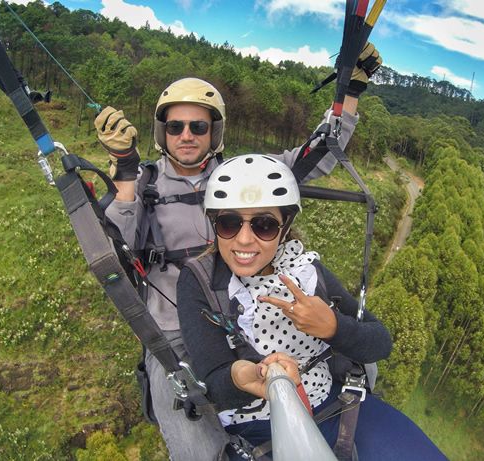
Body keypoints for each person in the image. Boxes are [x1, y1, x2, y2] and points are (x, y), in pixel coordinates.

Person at [96, 46, 383, 460]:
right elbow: (115, 249)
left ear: (215, 131)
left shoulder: (242, 175)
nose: (187, 135)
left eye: (198, 125)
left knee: (355, 353)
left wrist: (349, 90)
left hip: (246, 312)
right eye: (175, 127)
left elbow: (316, 156)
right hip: (175, 330)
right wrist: (124, 170)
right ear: (163, 134)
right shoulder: (145, 184)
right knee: (184, 414)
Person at [176, 154, 447, 460]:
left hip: (337, 405)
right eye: (229, 223)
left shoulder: (306, 270)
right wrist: (243, 376)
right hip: (257, 426)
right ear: (214, 223)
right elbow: (213, 381)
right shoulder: (198, 281)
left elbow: (380, 342)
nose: (244, 240)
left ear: (285, 224)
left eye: (264, 225)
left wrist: (333, 326)